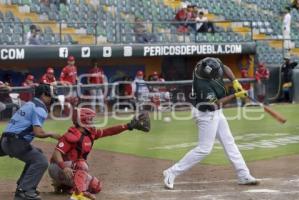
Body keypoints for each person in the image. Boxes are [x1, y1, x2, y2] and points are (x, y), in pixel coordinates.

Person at [163, 57, 259, 190]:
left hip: (216, 113)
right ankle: (172, 172)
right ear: (208, 76)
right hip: (205, 114)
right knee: (204, 149)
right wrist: (235, 95)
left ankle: (243, 175)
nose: (219, 75)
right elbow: (215, 104)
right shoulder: (202, 86)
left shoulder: (207, 63)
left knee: (229, 142)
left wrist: (235, 81)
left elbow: (224, 67)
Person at [48, 108, 150, 200]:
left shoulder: (90, 134)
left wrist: (128, 126)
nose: (92, 122)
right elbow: (56, 153)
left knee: (96, 186)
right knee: (82, 164)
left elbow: (108, 131)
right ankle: (79, 194)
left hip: (72, 170)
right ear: (84, 121)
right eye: (90, 119)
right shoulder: (71, 135)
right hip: (58, 169)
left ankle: (65, 187)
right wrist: (64, 167)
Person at [0, 84, 61, 200]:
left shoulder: (29, 103)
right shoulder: (40, 108)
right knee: (41, 161)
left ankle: (22, 186)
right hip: (15, 142)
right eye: (51, 96)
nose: (53, 99)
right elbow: (38, 133)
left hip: (5, 140)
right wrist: (52, 134)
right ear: (43, 95)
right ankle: (25, 191)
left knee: (37, 153)